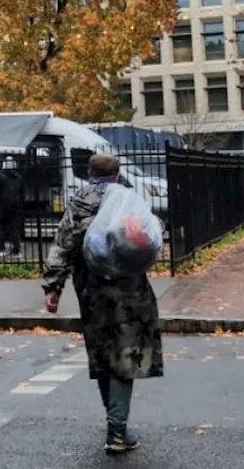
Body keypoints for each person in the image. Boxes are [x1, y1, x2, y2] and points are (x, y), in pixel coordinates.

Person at [41, 154, 163, 455]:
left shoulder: (79, 202)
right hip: (129, 289)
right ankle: (117, 430)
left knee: (101, 353)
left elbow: (63, 244)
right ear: (117, 173)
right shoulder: (128, 198)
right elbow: (148, 236)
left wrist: (53, 287)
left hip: (91, 288)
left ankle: (115, 424)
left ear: (89, 173)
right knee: (125, 354)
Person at [0, 157, 25, 257]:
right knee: (14, 228)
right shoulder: (19, 177)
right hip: (15, 206)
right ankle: (16, 250)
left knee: (1, 227)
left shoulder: (0, 177)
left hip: (3, 205)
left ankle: (1, 249)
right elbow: (22, 193)